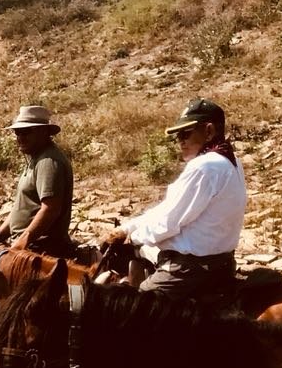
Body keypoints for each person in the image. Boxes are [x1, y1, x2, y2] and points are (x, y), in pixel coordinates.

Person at [99, 97, 246, 303]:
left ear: (209, 131)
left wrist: (134, 237)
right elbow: (168, 209)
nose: (181, 141)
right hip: (220, 262)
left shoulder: (204, 167)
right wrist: (126, 229)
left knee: (131, 311)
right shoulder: (230, 161)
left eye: (186, 134)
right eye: (178, 136)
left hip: (189, 269)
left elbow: (168, 222)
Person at [0, 105, 76, 256]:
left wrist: (22, 241)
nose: (20, 137)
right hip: (28, 244)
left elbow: (50, 209)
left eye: (26, 132)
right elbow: (21, 209)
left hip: (41, 248)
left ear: (44, 132)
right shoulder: (36, 159)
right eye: (17, 132)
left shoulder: (48, 161)